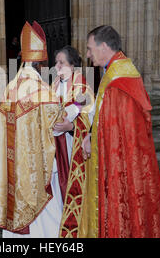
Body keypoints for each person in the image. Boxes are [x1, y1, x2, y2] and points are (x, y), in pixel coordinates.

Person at [80, 25, 160, 238]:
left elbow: (119, 133)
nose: (88, 54)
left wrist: (93, 138)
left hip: (122, 161)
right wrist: (92, 135)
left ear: (103, 47)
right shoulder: (115, 71)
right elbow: (107, 121)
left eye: (90, 48)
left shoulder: (119, 83)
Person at [0, 21, 63, 238]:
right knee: (48, 215)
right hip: (36, 168)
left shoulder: (10, 87)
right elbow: (56, 128)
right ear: (40, 64)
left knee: (15, 208)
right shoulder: (43, 92)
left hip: (13, 167)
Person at [52, 46, 95, 238]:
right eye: (56, 62)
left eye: (61, 62)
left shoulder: (83, 87)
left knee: (71, 185)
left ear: (72, 65)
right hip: (54, 147)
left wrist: (70, 128)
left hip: (72, 146)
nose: (57, 65)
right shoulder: (52, 84)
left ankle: (75, 226)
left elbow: (90, 117)